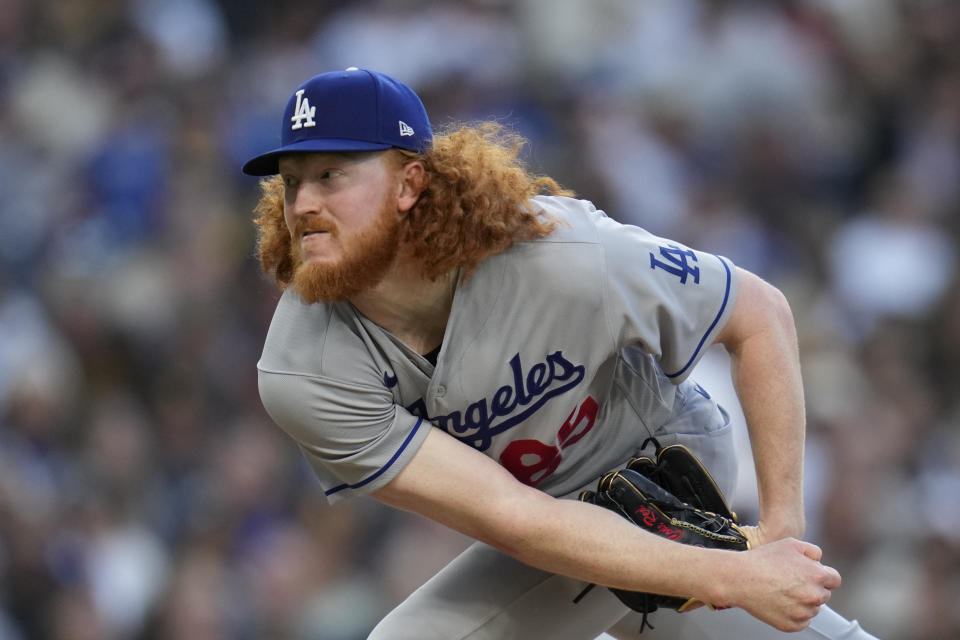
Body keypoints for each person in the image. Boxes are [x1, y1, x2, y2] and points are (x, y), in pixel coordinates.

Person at [242, 68, 879, 639]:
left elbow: (760, 313)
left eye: (331, 174)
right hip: (539, 515)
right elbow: (514, 518)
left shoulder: (557, 253)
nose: (302, 205)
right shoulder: (304, 369)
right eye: (292, 181)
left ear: (409, 182)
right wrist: (731, 578)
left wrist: (777, 536)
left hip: (661, 459)